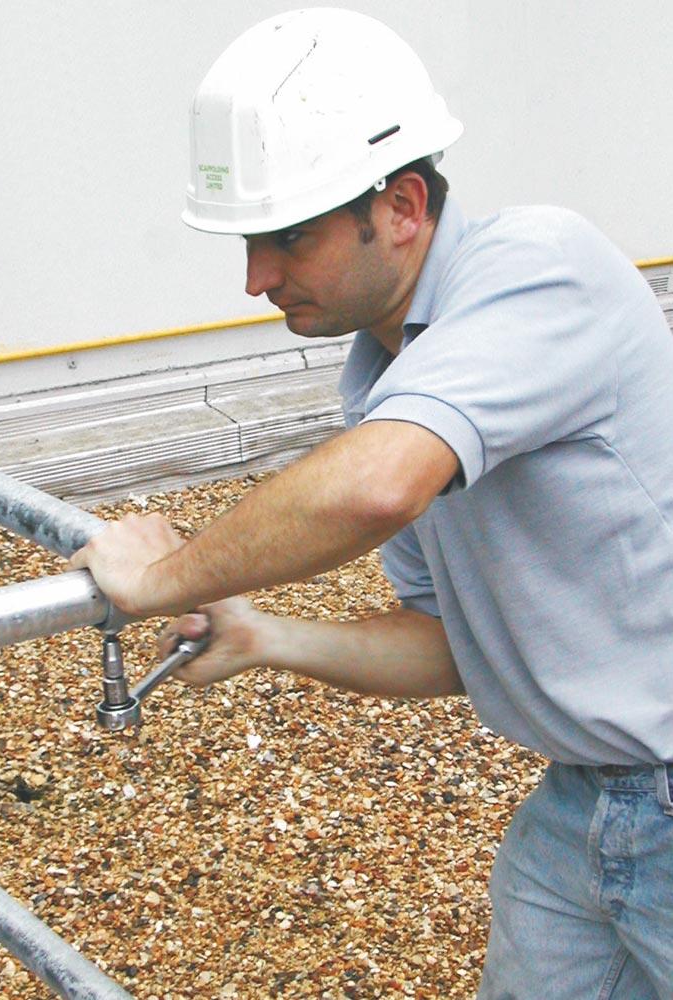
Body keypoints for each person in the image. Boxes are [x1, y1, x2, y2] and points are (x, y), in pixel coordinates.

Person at [69, 9, 673, 998]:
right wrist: (268, 635)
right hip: (588, 800)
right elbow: (451, 646)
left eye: (288, 237)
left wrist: (160, 578)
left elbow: (375, 487)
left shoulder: (539, 269)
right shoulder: (385, 379)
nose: (257, 277)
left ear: (400, 206)